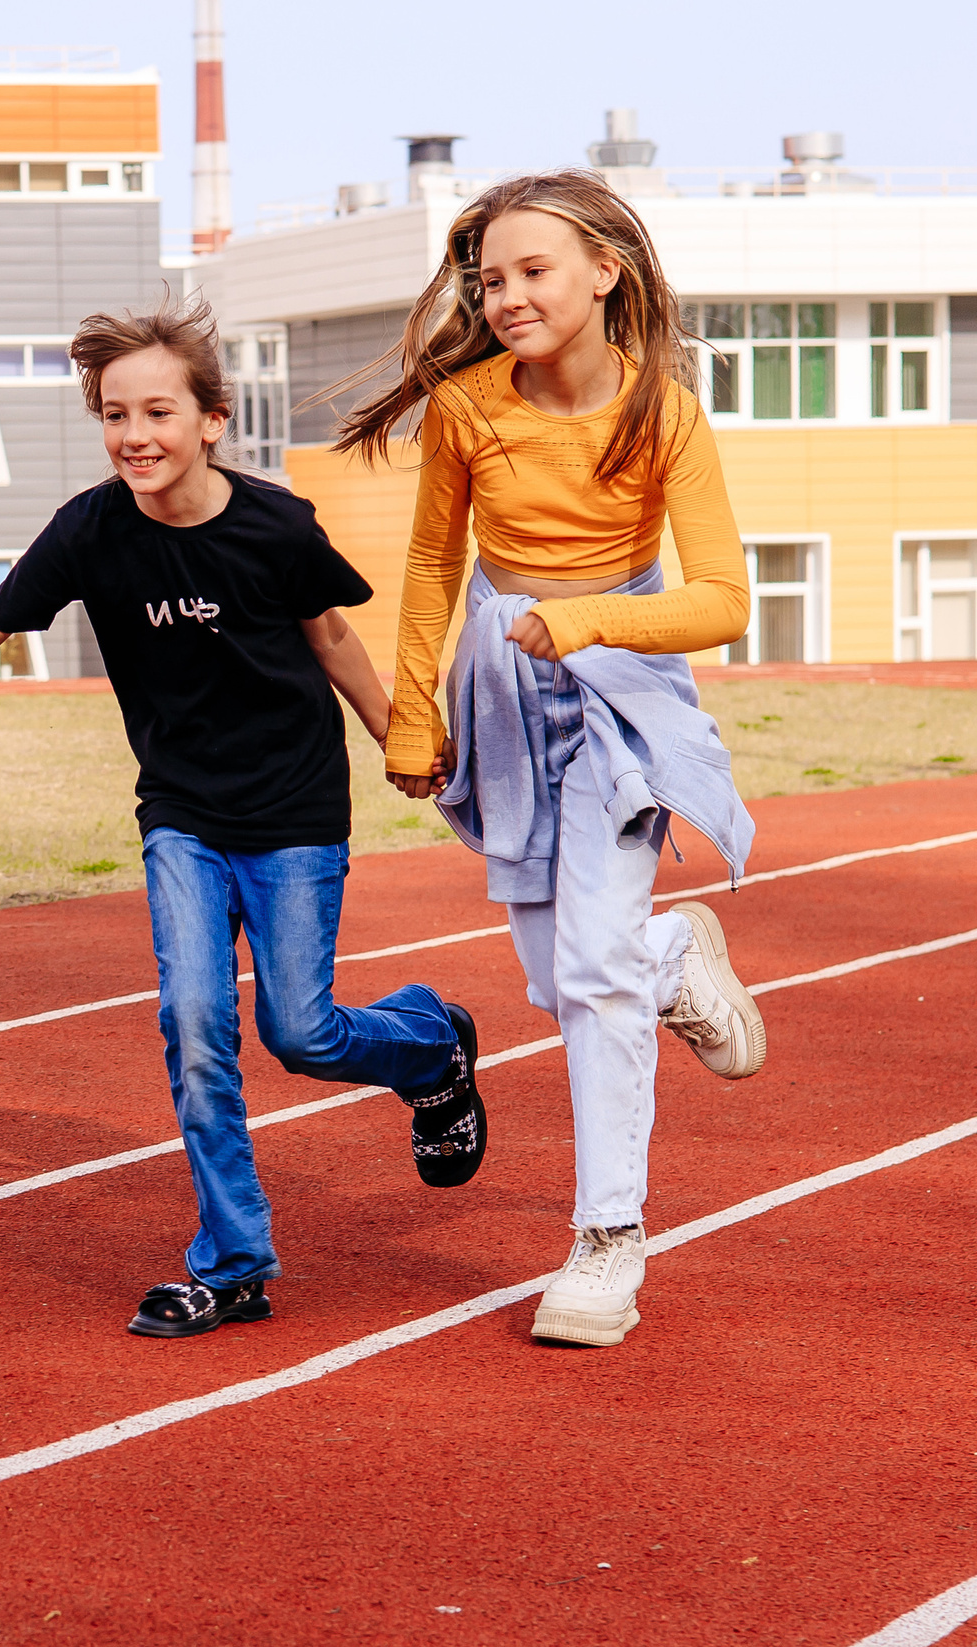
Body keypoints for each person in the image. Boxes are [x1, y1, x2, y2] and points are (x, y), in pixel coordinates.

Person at [0, 300, 487, 1340]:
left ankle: (428, 1049)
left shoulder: (276, 525)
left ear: (211, 420)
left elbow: (330, 638)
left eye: (156, 412)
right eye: (111, 415)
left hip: (293, 815)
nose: (133, 435)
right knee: (193, 1029)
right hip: (180, 817)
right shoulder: (90, 532)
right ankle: (233, 1264)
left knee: (301, 1032)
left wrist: (398, 740)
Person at [336, 168, 765, 1349]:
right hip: (500, 677)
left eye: (533, 272)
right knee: (555, 972)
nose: (509, 295)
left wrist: (585, 622)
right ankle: (672, 953)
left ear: (601, 274)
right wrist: (411, 711)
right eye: (491, 279)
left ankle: (606, 1241)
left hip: (621, 678)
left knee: (588, 972)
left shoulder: (662, 410)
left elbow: (722, 600)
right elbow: (431, 568)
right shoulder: (470, 406)